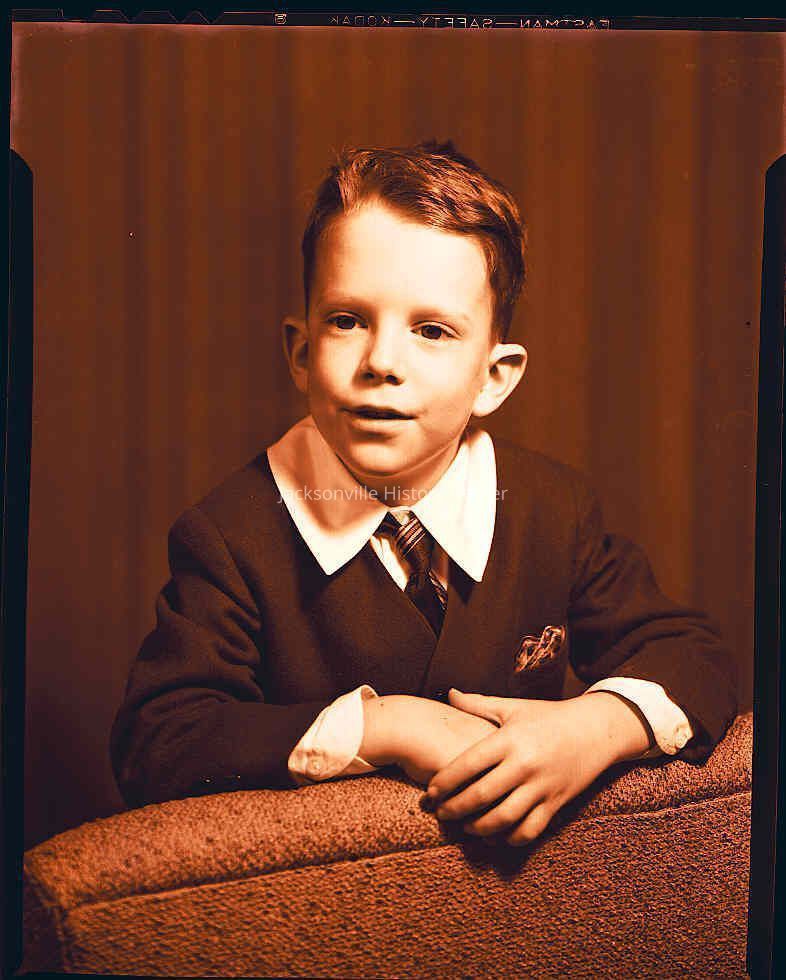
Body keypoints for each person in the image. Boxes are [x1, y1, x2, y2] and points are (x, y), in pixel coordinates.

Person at [110, 140, 737, 846]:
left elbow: (694, 654)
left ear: (493, 378)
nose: (382, 362)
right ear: (302, 352)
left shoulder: (552, 510)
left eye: (432, 331)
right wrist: (388, 725)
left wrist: (594, 728)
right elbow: (157, 740)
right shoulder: (230, 535)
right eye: (347, 320)